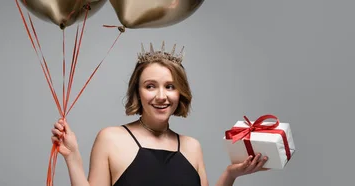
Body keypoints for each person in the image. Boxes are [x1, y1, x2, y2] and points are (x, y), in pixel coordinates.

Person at [51, 42, 269, 186]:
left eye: (170, 87)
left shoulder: (191, 146)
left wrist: (230, 174)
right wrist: (73, 158)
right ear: (137, 91)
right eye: (150, 86)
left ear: (180, 92)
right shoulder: (110, 138)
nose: (161, 96)